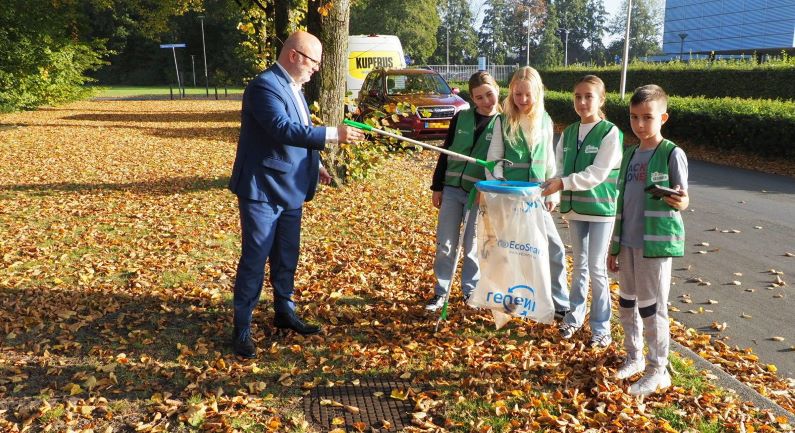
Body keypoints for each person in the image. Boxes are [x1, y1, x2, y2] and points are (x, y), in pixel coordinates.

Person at [228, 31, 364, 358]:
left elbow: (292, 139)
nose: (316, 68)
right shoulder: (264, 86)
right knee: (255, 257)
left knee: (287, 254)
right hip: (262, 189)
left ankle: (284, 311)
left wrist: (313, 167)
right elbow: (282, 129)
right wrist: (334, 134)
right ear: (294, 56)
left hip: (290, 187)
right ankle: (241, 327)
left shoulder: (294, 87)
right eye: (313, 61)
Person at [607, 84, 689, 396]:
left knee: (653, 309)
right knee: (628, 303)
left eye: (647, 118)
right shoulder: (629, 154)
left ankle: (659, 369)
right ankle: (635, 357)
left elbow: (683, 200)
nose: (640, 124)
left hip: (653, 246)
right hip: (626, 244)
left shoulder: (671, 153)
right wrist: (614, 246)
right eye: (634, 117)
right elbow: (621, 203)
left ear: (663, 118)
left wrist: (678, 201)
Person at [541, 75, 623, 347]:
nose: (582, 102)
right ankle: (574, 318)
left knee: (597, 268)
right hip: (575, 211)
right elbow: (560, 167)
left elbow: (597, 174)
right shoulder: (569, 132)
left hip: (600, 210)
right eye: (578, 96)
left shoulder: (610, 132)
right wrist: (556, 187)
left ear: (601, 100)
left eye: (589, 96)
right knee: (580, 267)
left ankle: (601, 328)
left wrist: (562, 184)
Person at [485, 66, 570, 318]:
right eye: (517, 94)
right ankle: (512, 301)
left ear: (538, 93)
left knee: (554, 249)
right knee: (513, 251)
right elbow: (493, 161)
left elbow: (551, 163)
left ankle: (560, 302)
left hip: (538, 199)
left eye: (527, 95)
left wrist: (553, 194)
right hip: (511, 199)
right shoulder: (503, 121)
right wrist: (502, 186)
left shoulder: (545, 120)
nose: (522, 100)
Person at [425, 71, 501, 311]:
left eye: (489, 95)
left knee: (472, 246)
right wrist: (437, 186)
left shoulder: (504, 122)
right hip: (451, 190)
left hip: (478, 194)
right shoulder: (461, 118)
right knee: (445, 244)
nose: (486, 102)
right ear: (472, 99)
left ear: (497, 90)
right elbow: (446, 151)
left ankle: (470, 291)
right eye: (479, 98)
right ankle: (441, 292)